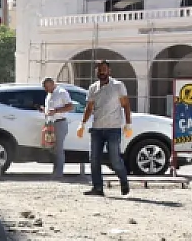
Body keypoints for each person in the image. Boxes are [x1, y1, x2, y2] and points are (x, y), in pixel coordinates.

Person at [79, 60, 132, 197]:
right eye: (99, 69)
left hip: (113, 129)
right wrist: (83, 124)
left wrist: (128, 123)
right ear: (96, 72)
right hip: (97, 129)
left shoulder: (118, 86)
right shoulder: (93, 88)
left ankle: (124, 181)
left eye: (104, 69)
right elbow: (89, 107)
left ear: (109, 71)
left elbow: (126, 105)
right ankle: (97, 188)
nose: (101, 71)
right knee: (94, 159)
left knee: (115, 159)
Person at [43, 77, 74, 178]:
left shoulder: (62, 92)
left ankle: (59, 173)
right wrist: (45, 110)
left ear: (52, 84)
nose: (46, 90)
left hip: (60, 123)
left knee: (59, 148)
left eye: (47, 87)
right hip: (51, 123)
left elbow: (70, 106)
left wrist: (56, 111)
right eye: (45, 88)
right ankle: (55, 171)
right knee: (54, 149)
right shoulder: (49, 94)